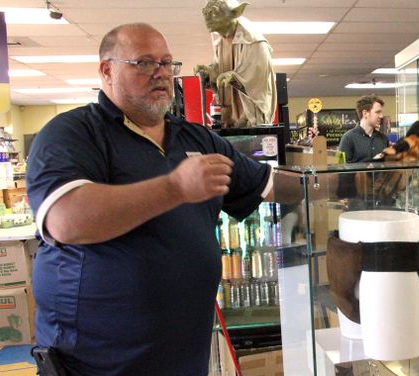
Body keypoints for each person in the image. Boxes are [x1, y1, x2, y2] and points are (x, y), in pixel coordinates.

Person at [25, 23, 273, 376]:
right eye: (144, 63)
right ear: (106, 70)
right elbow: (66, 219)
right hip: (96, 364)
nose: (161, 73)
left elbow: (268, 184)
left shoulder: (195, 137)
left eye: (168, 63)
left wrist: (351, 187)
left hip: (183, 356)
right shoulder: (72, 133)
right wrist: (174, 187)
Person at [195, 0, 277, 128]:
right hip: (229, 118)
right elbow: (219, 73)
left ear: (235, 13)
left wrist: (234, 77)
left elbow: (257, 81)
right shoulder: (221, 42)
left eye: (215, 14)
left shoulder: (253, 41)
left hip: (249, 119)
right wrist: (209, 73)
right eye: (207, 14)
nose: (208, 19)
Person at [338, 94, 389, 163]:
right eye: (377, 112)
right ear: (365, 113)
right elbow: (342, 169)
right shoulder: (348, 138)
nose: (381, 116)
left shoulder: (384, 139)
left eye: (381, 112)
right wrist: (371, 162)